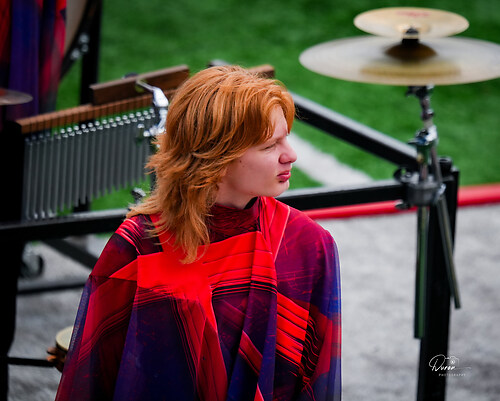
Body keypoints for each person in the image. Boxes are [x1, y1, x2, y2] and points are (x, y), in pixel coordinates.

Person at [55, 65, 341, 401]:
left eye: (286, 138)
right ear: (216, 157)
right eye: (269, 146)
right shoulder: (139, 246)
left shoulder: (308, 245)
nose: (291, 155)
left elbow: (315, 378)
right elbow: (99, 374)